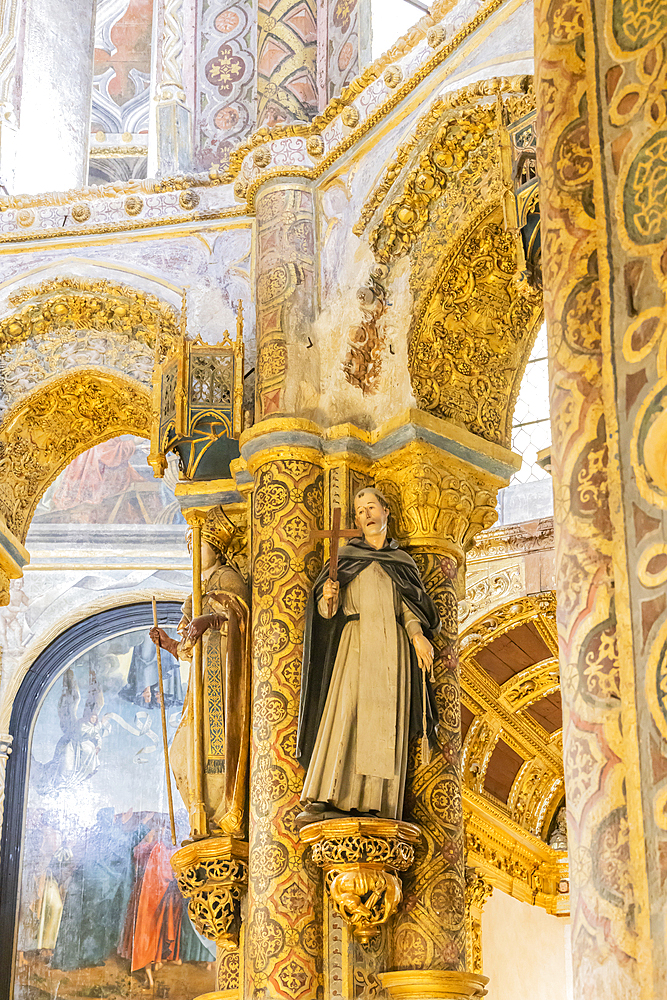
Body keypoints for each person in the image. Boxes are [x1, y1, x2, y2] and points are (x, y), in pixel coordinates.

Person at [297, 488, 440, 825]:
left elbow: (409, 606)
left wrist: (418, 636)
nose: (366, 516)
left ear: (387, 511)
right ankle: (327, 793)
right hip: (355, 644)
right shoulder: (346, 555)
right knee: (346, 714)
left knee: (385, 723)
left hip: (393, 648)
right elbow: (326, 617)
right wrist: (327, 598)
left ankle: (379, 803)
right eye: (360, 511)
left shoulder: (401, 562)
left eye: (371, 507)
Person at [150, 512, 250, 838]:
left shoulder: (227, 578)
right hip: (204, 683)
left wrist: (212, 619)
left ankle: (221, 813)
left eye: (199, 541)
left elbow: (242, 616)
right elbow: (188, 650)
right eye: (189, 543)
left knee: (214, 750)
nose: (193, 547)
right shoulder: (196, 591)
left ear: (217, 547)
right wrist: (169, 644)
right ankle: (200, 811)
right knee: (182, 755)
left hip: (225, 676)